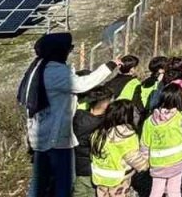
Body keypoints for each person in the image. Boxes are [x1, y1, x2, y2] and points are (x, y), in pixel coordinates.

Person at [17, 33, 115, 197]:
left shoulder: (38, 68)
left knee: (40, 180)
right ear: (59, 51)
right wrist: (109, 66)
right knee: (64, 182)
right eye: (69, 48)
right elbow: (82, 84)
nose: (70, 51)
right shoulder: (55, 72)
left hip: (40, 135)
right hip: (56, 138)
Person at [139, 82, 182, 197]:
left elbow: (145, 144)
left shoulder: (150, 120)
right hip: (177, 161)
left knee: (156, 190)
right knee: (174, 189)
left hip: (157, 163)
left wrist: (145, 160)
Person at [90, 99, 150, 197]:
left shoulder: (98, 133)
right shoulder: (126, 135)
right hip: (119, 179)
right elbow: (133, 157)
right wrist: (145, 165)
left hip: (100, 178)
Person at [75, 84, 116, 197]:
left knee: (78, 192)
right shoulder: (103, 124)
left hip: (76, 165)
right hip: (94, 167)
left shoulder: (77, 116)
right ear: (104, 103)